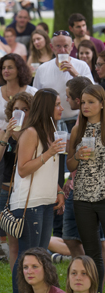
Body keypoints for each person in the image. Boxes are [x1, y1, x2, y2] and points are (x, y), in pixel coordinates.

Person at [9, 88, 66, 293]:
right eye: (58, 104)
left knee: (41, 257)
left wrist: (58, 191)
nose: (62, 108)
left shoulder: (52, 130)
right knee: (29, 257)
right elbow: (23, 170)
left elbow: (48, 171)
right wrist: (49, 153)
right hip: (28, 203)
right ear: (47, 107)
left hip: (45, 201)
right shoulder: (31, 132)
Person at [0, 92, 33, 282]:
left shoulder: (34, 133)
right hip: (7, 192)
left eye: (25, 109)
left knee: (30, 245)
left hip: (29, 193)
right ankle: (18, 289)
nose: (20, 112)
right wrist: (7, 135)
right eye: (16, 109)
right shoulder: (3, 133)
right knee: (13, 245)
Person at [68, 85, 105, 292]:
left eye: (91, 102)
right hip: (82, 198)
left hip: (104, 195)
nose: (86, 106)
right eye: (83, 102)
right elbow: (70, 165)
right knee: (92, 253)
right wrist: (77, 158)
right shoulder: (77, 130)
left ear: (102, 104)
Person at [61, 76, 96, 259]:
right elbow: (72, 161)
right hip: (76, 187)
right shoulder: (77, 125)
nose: (66, 100)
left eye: (67, 96)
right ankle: (87, 271)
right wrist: (70, 179)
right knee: (70, 238)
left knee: (97, 243)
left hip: (94, 191)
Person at [34, 31, 94, 122]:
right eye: (58, 46)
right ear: (51, 47)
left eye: (66, 46)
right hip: (50, 120)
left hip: (77, 119)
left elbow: (93, 93)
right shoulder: (42, 69)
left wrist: (75, 74)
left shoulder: (82, 66)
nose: (62, 50)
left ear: (72, 46)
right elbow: (36, 96)